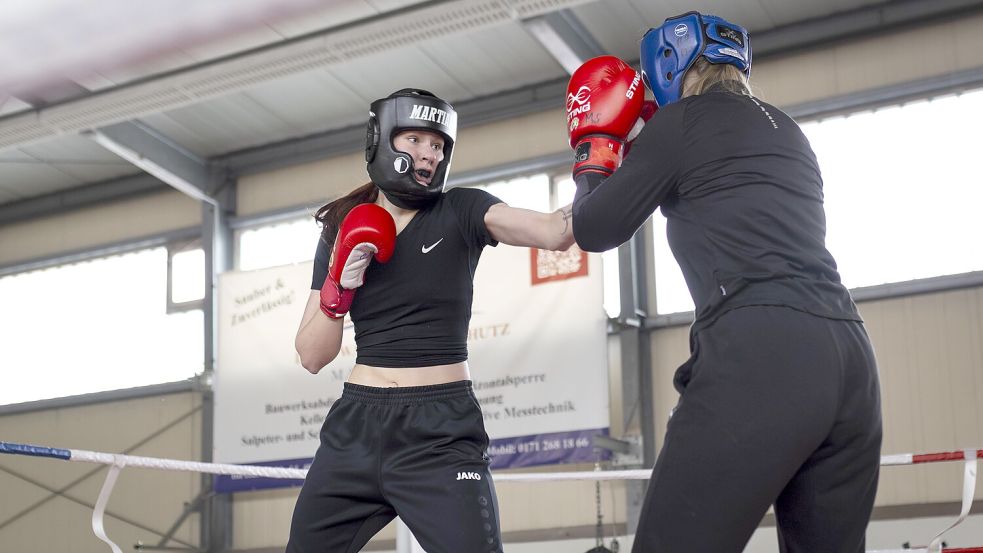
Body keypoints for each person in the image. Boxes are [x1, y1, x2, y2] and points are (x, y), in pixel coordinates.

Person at [565, 12, 882, 553]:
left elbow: (594, 228)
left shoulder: (682, 123)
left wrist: (596, 147)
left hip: (762, 351)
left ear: (665, 67)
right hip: (850, 361)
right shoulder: (787, 129)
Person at [288, 88, 575, 553]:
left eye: (438, 144)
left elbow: (554, 231)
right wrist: (337, 289)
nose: (428, 153)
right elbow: (311, 356)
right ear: (382, 141)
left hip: (440, 433)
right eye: (416, 139)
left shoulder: (462, 210)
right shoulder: (343, 225)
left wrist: (601, 162)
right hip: (355, 429)